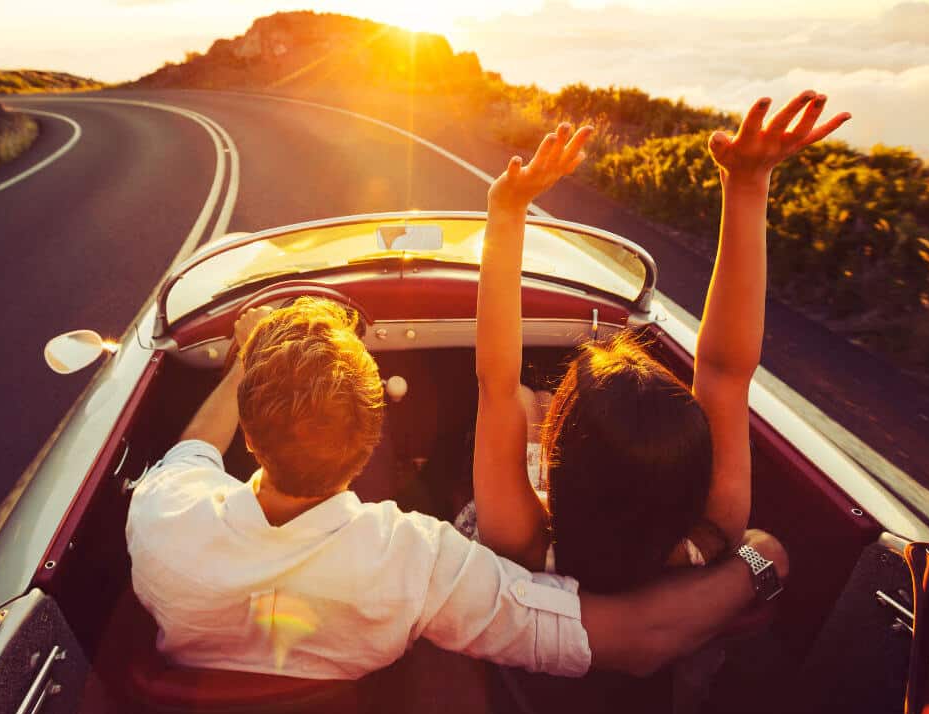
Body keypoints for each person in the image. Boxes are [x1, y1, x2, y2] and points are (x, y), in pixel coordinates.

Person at [126, 295, 790, 683]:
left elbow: (192, 450)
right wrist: (759, 561)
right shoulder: (419, 562)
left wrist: (247, 361)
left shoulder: (161, 513)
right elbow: (637, 638)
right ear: (370, 442)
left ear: (250, 432)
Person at [470, 90, 851, 585]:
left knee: (523, 398)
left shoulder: (519, 540)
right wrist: (749, 185)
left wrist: (505, 211)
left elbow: (496, 383)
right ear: (691, 476)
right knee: (526, 399)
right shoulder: (713, 532)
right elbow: (724, 372)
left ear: (555, 466)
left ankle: (543, 406)